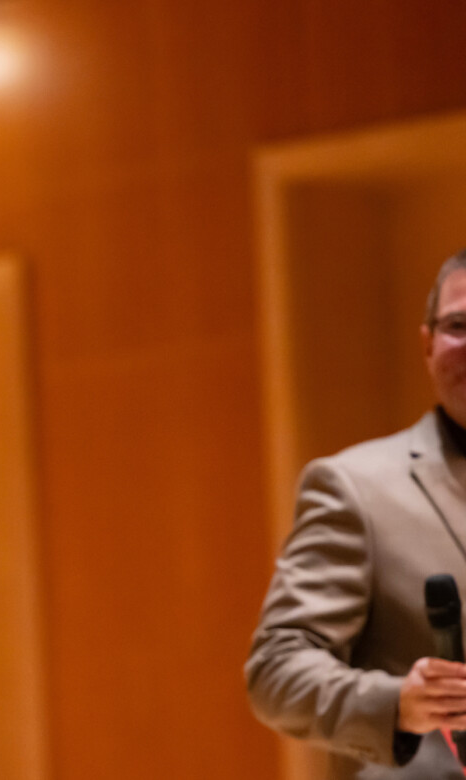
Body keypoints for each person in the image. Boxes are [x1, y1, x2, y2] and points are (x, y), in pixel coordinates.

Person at [247, 251, 466, 778]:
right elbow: (276, 670)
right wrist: (398, 703)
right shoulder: (357, 488)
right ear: (426, 344)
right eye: (459, 325)